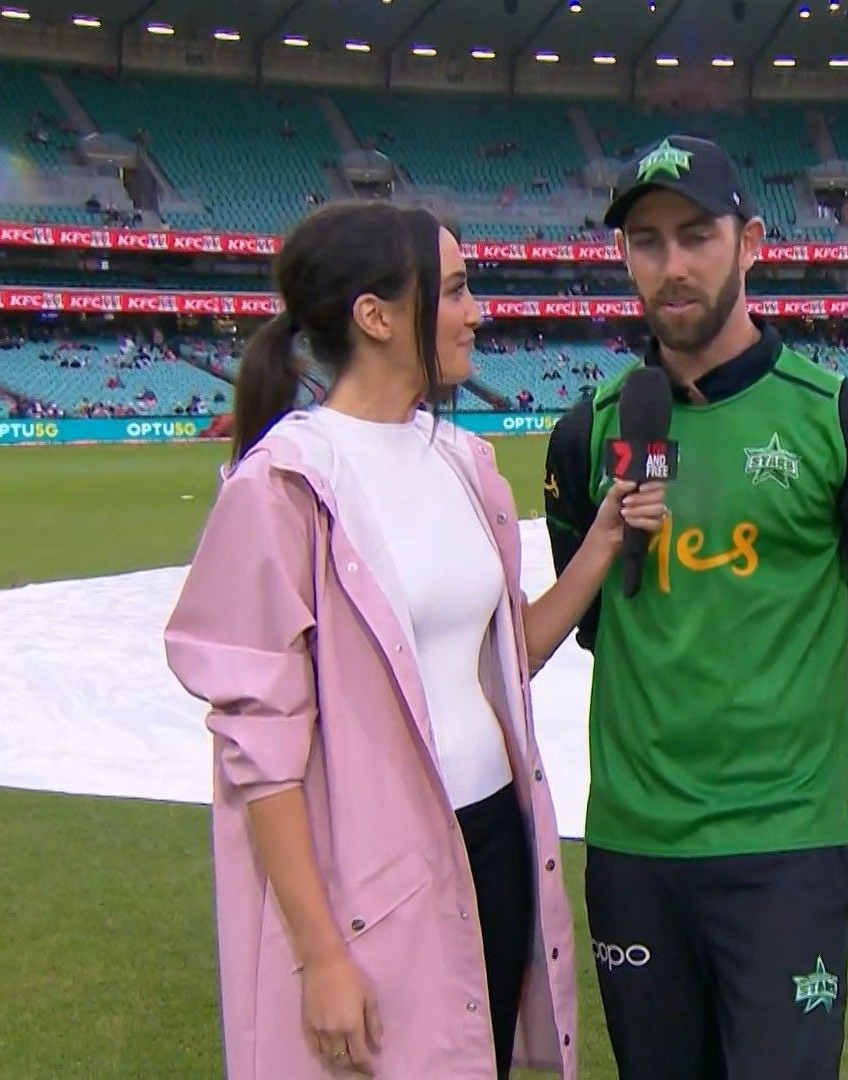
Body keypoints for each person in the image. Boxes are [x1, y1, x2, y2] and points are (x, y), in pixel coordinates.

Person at [163, 200, 665, 1079]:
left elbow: (507, 658)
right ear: (377, 316)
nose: (478, 313)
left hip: (496, 838)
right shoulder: (282, 486)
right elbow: (262, 754)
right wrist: (321, 956)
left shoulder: (463, 464)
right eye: (457, 290)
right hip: (375, 880)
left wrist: (603, 542)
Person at [542, 134, 848, 1079]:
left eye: (697, 235)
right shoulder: (587, 434)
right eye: (648, 242)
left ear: (752, 242)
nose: (673, 264)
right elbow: (594, 622)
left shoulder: (839, 420)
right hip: (635, 849)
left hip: (786, 847)